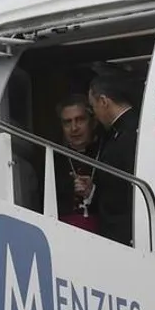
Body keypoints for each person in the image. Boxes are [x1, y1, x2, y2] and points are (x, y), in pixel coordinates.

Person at [87, 75, 140, 246]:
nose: (94, 114)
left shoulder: (130, 133)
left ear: (103, 101)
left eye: (93, 107)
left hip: (126, 232)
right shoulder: (121, 131)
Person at [53, 94, 102, 233]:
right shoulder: (55, 159)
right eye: (67, 122)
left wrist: (92, 191)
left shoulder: (105, 152)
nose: (74, 128)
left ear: (92, 121)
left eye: (80, 120)